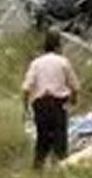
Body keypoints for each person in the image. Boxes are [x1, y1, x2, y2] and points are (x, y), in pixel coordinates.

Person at [21, 30, 80, 168]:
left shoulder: (36, 63)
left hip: (40, 106)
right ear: (58, 46)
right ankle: (61, 170)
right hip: (58, 105)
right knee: (60, 141)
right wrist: (73, 100)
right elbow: (75, 87)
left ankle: (37, 171)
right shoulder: (63, 62)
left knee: (42, 141)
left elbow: (25, 89)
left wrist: (25, 107)